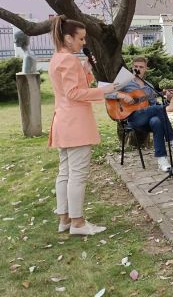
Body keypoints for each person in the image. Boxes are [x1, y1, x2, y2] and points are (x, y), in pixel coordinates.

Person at [48, 16, 118, 236]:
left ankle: (65, 219)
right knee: (76, 174)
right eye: (81, 38)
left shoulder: (58, 58)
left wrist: (86, 70)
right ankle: (78, 223)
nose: (84, 43)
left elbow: (73, 87)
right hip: (75, 123)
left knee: (65, 172)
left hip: (64, 121)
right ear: (68, 38)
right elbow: (73, 93)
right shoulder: (68, 60)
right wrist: (104, 90)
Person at [110, 57, 173, 172]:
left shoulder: (148, 85)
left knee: (157, 122)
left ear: (146, 69)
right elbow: (106, 92)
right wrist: (122, 96)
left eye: (141, 67)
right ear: (132, 67)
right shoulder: (125, 81)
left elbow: (155, 104)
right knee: (159, 110)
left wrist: (168, 99)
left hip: (147, 119)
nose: (137, 69)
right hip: (133, 118)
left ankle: (162, 160)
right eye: (135, 67)